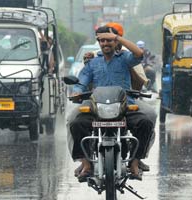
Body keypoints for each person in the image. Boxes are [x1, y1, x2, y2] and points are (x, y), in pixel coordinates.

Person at [68, 26, 156, 182]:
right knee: (76, 123)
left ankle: (135, 162)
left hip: (125, 106)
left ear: (116, 42)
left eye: (109, 40)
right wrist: (76, 91)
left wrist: (118, 38)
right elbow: (82, 82)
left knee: (145, 122)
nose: (105, 43)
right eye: (102, 40)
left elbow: (139, 54)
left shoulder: (125, 58)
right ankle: (86, 163)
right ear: (99, 43)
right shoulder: (92, 62)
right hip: (97, 108)